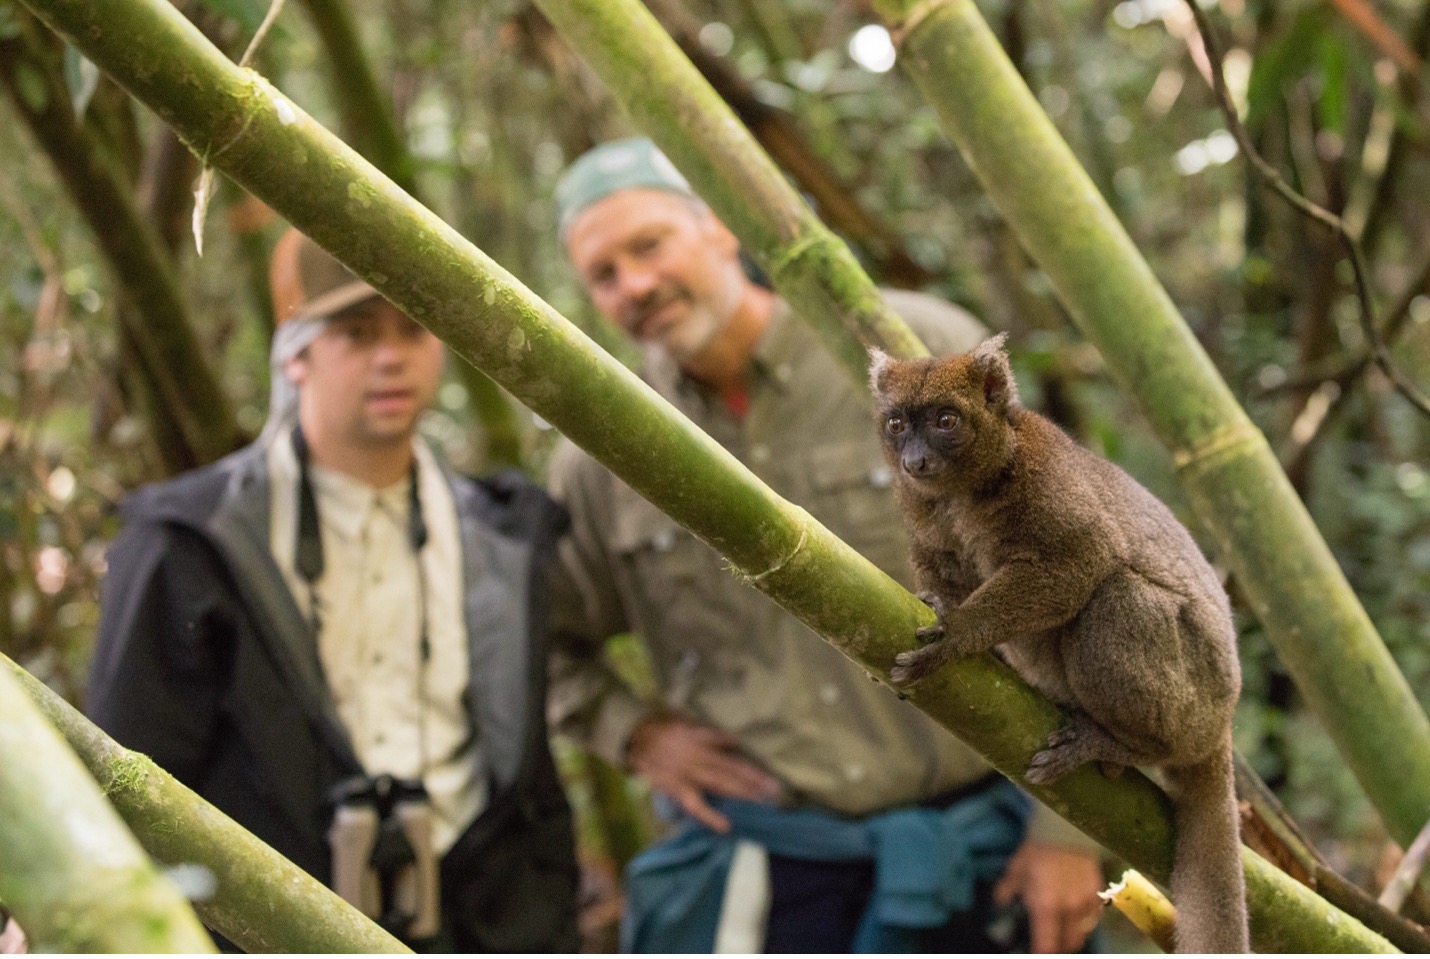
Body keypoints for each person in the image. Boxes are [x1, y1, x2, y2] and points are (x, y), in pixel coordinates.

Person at [546, 138, 1107, 953]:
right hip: (770, 869)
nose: (635, 283)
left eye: (649, 244)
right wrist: (637, 733)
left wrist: (1071, 828)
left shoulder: (915, 351)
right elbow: (545, 643)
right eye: (604, 274)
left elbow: (1077, 575)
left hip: (980, 847)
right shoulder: (601, 448)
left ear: (717, 228)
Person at [87, 229, 580, 952]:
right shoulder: (191, 540)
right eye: (355, 333)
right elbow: (135, 766)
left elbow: (527, 772)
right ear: (296, 356)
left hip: (485, 917)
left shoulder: (504, 531)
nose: (391, 357)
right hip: (277, 924)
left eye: (413, 328)